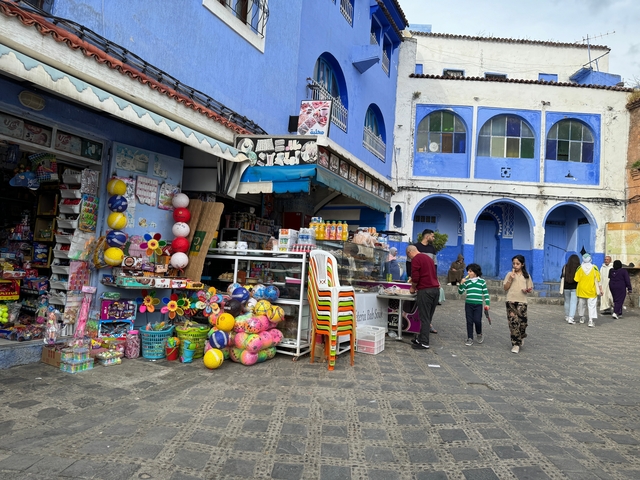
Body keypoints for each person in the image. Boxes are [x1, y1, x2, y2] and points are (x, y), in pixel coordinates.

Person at [406, 245, 439, 350]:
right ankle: (420, 338)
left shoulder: (416, 259)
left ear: (410, 252)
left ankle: (424, 342)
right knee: (428, 316)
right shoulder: (428, 258)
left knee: (424, 317)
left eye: (408, 255)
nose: (410, 258)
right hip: (435, 290)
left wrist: (413, 287)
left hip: (425, 290)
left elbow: (415, 277)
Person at [503, 254, 533, 354]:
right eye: (514, 264)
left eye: (517, 264)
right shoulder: (509, 274)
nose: (515, 266)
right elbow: (505, 288)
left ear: (522, 264)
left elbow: (530, 288)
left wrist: (527, 290)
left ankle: (522, 335)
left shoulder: (526, 276)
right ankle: (515, 344)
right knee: (513, 323)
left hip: (522, 301)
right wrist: (510, 279)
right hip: (511, 301)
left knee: (523, 323)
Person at [458, 263, 490, 346]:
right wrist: (461, 284)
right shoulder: (467, 282)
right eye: (468, 271)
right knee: (469, 321)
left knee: (477, 320)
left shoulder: (482, 282)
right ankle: (470, 338)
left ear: (475, 272)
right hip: (468, 304)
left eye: (470, 271)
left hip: (478, 305)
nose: (468, 273)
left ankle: (479, 333)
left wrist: (487, 303)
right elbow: (460, 292)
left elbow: (485, 293)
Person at [574, 253, 602, 328]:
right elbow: (598, 278)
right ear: (590, 259)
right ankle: (590, 320)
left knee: (581, 305)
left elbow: (576, 279)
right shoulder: (595, 268)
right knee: (591, 306)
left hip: (581, 290)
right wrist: (600, 288)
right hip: (591, 290)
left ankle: (581, 317)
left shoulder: (579, 268)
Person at [561, 254, 580, 324]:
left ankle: (566, 316)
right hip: (575, 287)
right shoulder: (578, 268)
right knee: (573, 303)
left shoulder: (565, 267)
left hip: (566, 287)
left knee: (567, 301)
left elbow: (562, 276)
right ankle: (571, 317)